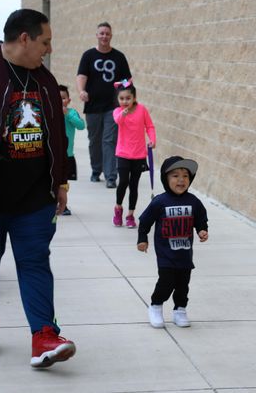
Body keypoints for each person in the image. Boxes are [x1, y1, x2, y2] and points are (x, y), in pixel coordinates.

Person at [0, 9, 76, 368]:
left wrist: (61, 181)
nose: (48, 50)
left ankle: (44, 335)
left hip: (35, 195)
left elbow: (55, 133)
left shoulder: (46, 81)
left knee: (35, 260)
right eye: (45, 42)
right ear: (24, 38)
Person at [137, 156, 208, 328]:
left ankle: (180, 310)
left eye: (185, 176)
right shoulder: (160, 201)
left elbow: (200, 218)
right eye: (175, 175)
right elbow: (145, 221)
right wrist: (142, 238)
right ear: (165, 179)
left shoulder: (193, 201)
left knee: (183, 285)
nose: (181, 180)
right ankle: (156, 306)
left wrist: (202, 229)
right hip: (166, 254)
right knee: (166, 283)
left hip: (185, 254)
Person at [76, 22, 132, 188]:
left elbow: (127, 80)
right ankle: (96, 170)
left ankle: (111, 177)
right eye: (101, 33)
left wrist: (121, 89)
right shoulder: (88, 55)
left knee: (109, 140)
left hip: (113, 106)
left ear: (111, 36)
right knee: (94, 140)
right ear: (97, 35)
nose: (104, 36)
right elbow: (81, 76)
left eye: (107, 33)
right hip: (92, 106)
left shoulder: (119, 57)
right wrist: (81, 91)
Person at [112, 79, 156, 228]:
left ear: (134, 98)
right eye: (121, 98)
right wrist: (123, 114)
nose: (125, 101)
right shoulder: (117, 111)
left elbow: (149, 126)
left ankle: (130, 215)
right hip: (123, 153)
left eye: (128, 98)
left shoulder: (142, 109)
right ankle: (118, 208)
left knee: (134, 185)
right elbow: (117, 121)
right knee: (123, 182)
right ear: (118, 99)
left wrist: (152, 139)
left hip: (139, 154)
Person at [59, 84, 85, 215]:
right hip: (53, 155)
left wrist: (68, 115)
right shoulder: (49, 113)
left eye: (63, 98)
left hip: (67, 154)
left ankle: (64, 204)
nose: (60, 101)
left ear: (68, 100)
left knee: (64, 182)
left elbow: (81, 126)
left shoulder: (72, 113)